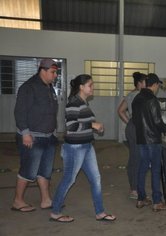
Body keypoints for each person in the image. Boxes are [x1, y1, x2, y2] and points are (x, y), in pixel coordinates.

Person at [50, 74, 116, 223]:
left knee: (96, 179)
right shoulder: (73, 102)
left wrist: (95, 126)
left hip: (86, 146)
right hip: (75, 148)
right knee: (69, 179)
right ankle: (55, 212)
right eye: (90, 85)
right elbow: (71, 126)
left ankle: (100, 212)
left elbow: (82, 123)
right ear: (81, 87)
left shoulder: (83, 102)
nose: (93, 88)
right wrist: (92, 125)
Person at [12, 59, 59, 212]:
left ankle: (46, 200)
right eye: (53, 72)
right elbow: (19, 112)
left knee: (45, 171)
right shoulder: (28, 87)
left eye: (56, 72)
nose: (55, 75)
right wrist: (25, 133)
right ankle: (18, 201)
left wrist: (54, 130)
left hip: (48, 136)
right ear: (43, 71)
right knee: (28, 170)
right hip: (32, 137)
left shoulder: (49, 87)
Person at [132, 73, 166, 212]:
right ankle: (157, 201)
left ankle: (141, 198)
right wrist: (165, 128)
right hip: (153, 140)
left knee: (142, 168)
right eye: (158, 85)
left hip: (141, 138)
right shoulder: (152, 99)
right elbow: (157, 121)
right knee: (155, 169)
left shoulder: (136, 98)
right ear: (154, 85)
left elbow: (135, 120)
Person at [117, 72, 147, 199]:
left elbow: (120, 110)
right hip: (136, 129)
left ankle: (134, 187)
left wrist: (129, 121)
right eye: (146, 82)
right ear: (140, 83)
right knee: (136, 159)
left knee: (134, 157)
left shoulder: (130, 94)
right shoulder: (139, 95)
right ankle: (134, 189)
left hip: (132, 127)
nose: (148, 85)